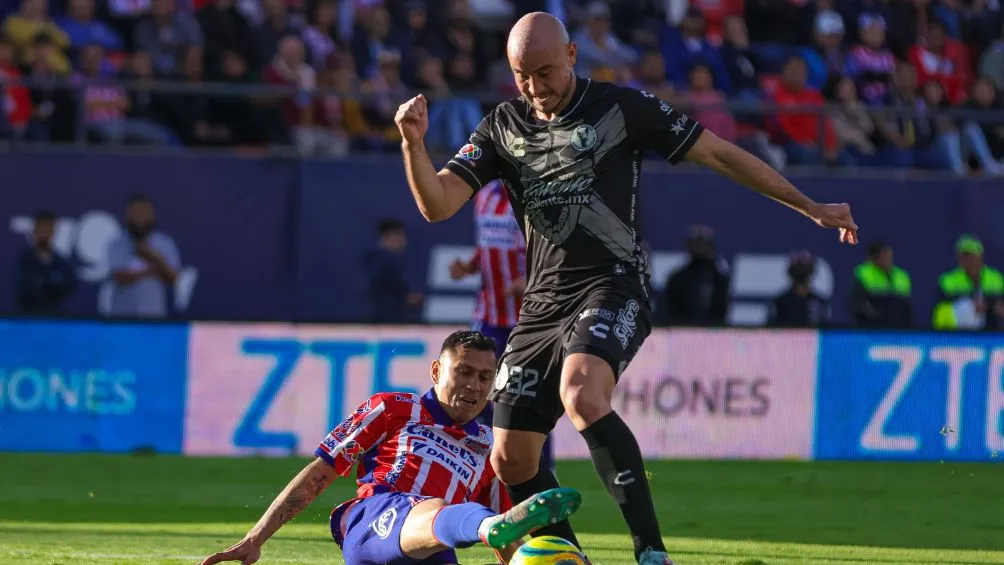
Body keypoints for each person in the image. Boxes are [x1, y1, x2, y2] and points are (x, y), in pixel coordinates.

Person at [393, 12, 859, 565]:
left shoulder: (622, 108)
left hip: (612, 285)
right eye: (522, 76)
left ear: (571, 55)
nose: (535, 88)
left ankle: (650, 552)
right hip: (540, 307)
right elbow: (438, 204)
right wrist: (413, 144)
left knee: (582, 393)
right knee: (510, 457)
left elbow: (719, 153)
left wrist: (809, 206)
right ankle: (567, 559)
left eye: (545, 72)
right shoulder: (502, 125)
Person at [198, 330, 583, 565]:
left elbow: (507, 536)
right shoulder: (393, 408)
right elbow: (320, 474)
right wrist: (256, 538)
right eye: (463, 372)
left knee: (472, 519)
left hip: (435, 548)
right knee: (444, 509)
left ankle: (484, 525)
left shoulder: (489, 445)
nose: (474, 385)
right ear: (437, 371)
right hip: (374, 519)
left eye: (485, 377)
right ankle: (483, 524)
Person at [448, 179, 556, 473]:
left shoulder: (537, 195)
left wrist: (529, 280)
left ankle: (542, 469)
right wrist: (468, 267)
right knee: (474, 391)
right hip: (487, 317)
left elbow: (554, 253)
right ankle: (480, 466)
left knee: (527, 397)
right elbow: (487, 246)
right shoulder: (484, 195)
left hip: (527, 319)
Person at [768, 250, 830, 327]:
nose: (802, 279)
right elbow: (771, 329)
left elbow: (827, 330)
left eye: (805, 274)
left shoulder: (819, 303)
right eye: (798, 273)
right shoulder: (780, 303)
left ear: (811, 273)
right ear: (791, 274)